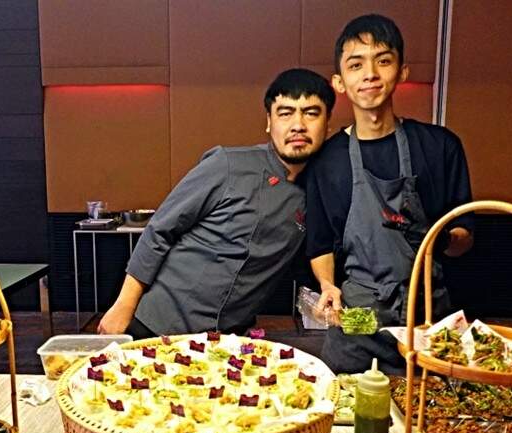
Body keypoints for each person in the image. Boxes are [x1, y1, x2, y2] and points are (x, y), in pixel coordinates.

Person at [98, 68, 335, 336]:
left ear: (327, 124)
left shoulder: (318, 191)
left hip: (227, 338)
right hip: (159, 324)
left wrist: (326, 287)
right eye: (285, 113)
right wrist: (123, 306)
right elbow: (160, 230)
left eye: (311, 113)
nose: (298, 125)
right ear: (269, 122)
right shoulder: (227, 164)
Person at [305, 14, 475, 374]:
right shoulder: (327, 160)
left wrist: (439, 239)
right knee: (350, 395)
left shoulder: (440, 146)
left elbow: (464, 238)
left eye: (383, 61)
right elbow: (320, 244)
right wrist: (327, 285)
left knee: (432, 402)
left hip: (427, 318)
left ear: (402, 71)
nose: (370, 74)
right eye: (356, 65)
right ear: (339, 81)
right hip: (360, 316)